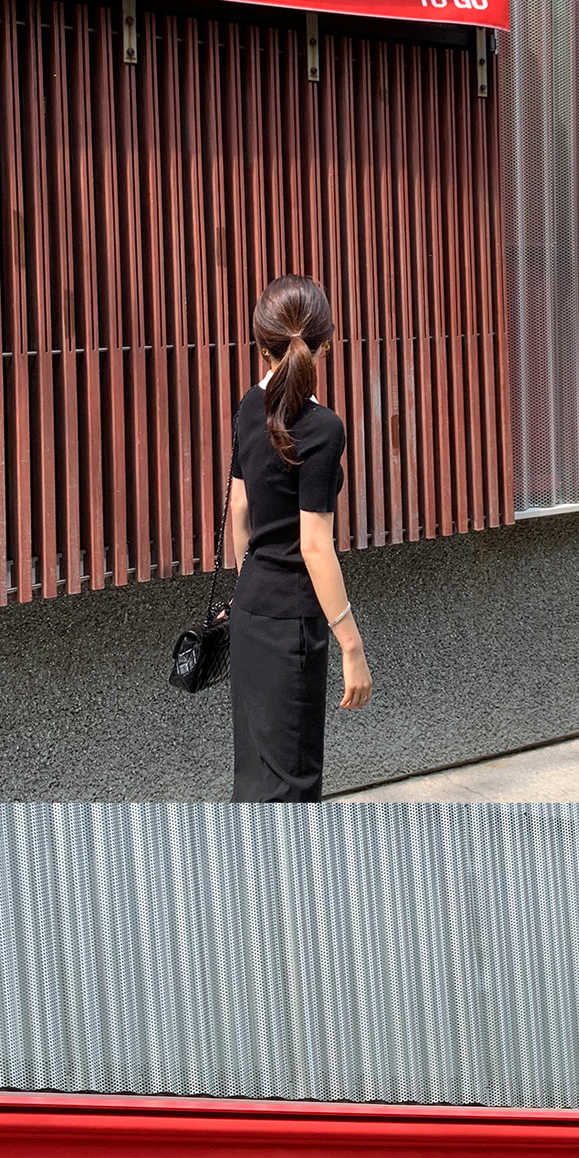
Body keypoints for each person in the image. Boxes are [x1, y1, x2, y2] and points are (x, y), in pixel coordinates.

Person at [227, 277, 372, 801]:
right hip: (293, 627)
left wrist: (249, 586)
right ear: (326, 345)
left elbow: (239, 510)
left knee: (256, 777)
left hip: (249, 613)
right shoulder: (322, 428)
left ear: (260, 347)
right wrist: (352, 645)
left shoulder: (249, 406)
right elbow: (314, 544)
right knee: (292, 785)